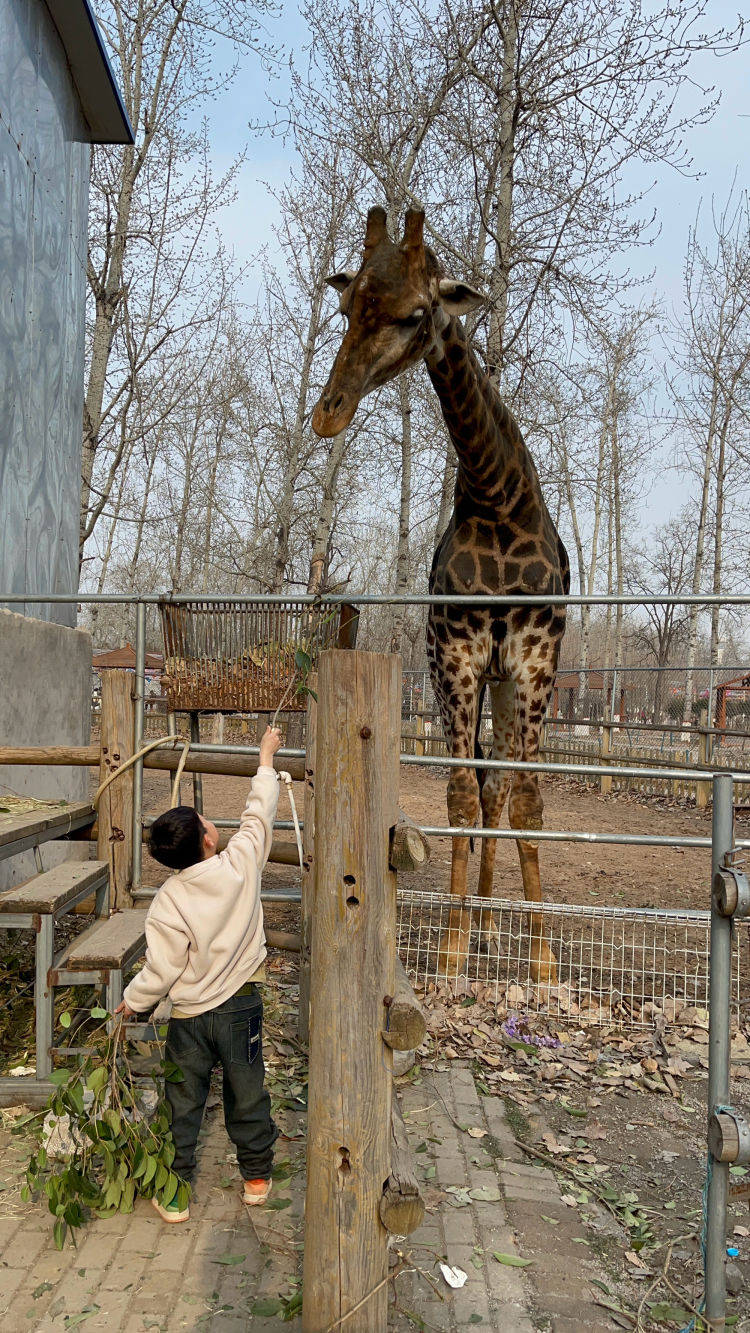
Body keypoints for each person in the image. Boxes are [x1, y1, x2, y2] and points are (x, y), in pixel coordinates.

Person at [115, 725, 283, 1224]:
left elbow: (161, 968)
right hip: (240, 1006)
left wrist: (134, 1000)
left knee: (182, 1100)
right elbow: (259, 814)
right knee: (247, 1088)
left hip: (188, 1017)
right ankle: (255, 1175)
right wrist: (265, 759)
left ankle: (175, 1190)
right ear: (209, 838)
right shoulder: (240, 865)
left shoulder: (169, 899)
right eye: (207, 820)